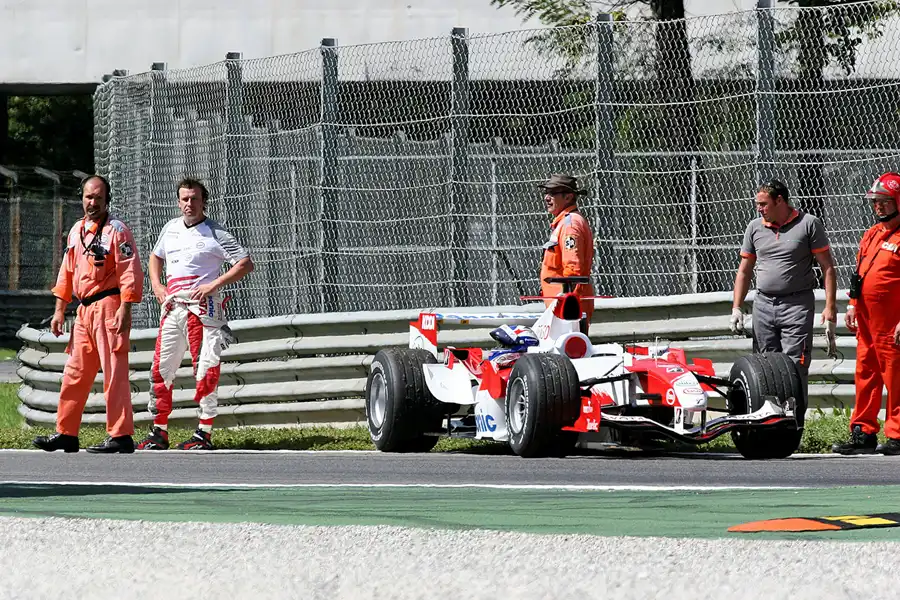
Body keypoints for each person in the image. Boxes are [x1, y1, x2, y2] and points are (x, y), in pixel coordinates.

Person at [137, 177, 254, 451]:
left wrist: (214, 285)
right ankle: (159, 431)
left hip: (202, 311)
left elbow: (245, 263)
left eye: (194, 199)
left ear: (204, 202)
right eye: (185, 199)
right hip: (173, 308)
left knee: (205, 370)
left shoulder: (216, 232)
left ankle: (204, 432)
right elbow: (155, 257)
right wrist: (157, 286)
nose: (189, 204)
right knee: (161, 369)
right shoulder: (170, 228)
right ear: (179, 202)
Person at [33, 175, 143, 454]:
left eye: (98, 197)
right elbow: (66, 272)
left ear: (107, 200)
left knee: (114, 372)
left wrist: (126, 308)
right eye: (88, 197)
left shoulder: (117, 230)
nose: (92, 202)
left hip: (110, 306)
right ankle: (66, 433)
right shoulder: (76, 231)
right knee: (74, 372)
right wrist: (59, 311)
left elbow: (129, 271)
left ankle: (121, 435)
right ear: (81, 198)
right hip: (83, 311)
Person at [730, 179, 837, 396]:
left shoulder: (809, 224)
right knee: (765, 365)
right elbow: (744, 271)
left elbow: (827, 267)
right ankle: (769, 413)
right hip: (763, 305)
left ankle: (794, 414)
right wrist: (737, 308)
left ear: (780, 201)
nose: (759, 209)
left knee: (795, 363)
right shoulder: (754, 227)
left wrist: (830, 307)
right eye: (757, 204)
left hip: (797, 305)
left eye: (763, 204)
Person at [832, 172, 900, 455]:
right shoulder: (872, 234)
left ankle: (897, 434)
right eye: (875, 201)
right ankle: (863, 432)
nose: (878, 206)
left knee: (896, 376)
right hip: (867, 320)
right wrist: (852, 304)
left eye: (885, 201)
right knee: (865, 373)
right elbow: (860, 272)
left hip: (892, 323)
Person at [537, 173, 595, 336]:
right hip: (561, 309)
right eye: (546, 193)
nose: (547, 198)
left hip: (566, 311)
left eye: (552, 193)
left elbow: (573, 271)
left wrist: (567, 308)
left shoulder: (570, 225)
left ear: (568, 197)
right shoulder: (565, 223)